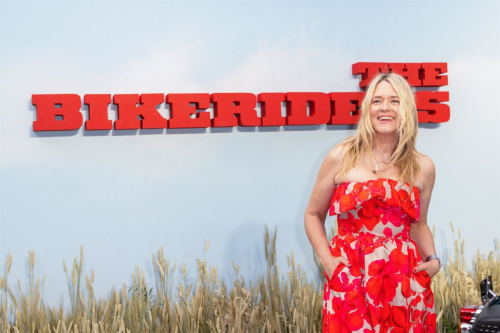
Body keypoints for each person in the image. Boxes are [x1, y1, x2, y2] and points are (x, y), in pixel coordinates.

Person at [304, 72, 439, 333]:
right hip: (351, 275)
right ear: (367, 108)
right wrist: (328, 262)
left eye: (394, 101)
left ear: (407, 109)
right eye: (377, 101)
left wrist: (433, 260)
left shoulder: (423, 166)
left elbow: (419, 223)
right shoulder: (342, 156)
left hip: (403, 281)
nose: (385, 108)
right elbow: (312, 215)